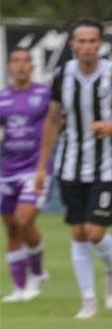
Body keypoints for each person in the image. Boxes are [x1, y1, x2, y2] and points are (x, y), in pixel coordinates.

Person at [34, 20, 112, 320]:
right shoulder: (61, 76)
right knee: (78, 232)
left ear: (100, 44)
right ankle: (88, 301)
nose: (86, 46)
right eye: (81, 41)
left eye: (92, 41)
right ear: (72, 45)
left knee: (94, 232)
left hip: (106, 166)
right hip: (70, 165)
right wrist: (42, 167)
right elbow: (53, 120)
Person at [1, 48, 53, 302]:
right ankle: (19, 289)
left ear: (33, 66)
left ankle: (37, 273)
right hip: (7, 170)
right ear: (9, 67)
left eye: (25, 61)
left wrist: (44, 166)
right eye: (15, 61)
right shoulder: (3, 98)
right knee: (11, 228)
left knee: (24, 220)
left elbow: (54, 127)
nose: (21, 66)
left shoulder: (44, 95)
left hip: (35, 168)